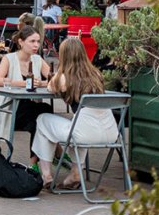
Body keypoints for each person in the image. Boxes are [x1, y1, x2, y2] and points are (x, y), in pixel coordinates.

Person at [33, 39, 119, 190]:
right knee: (78, 123)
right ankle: (75, 172)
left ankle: (46, 175)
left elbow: (49, 88)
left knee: (42, 120)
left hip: (83, 134)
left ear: (63, 55)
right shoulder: (96, 75)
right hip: (110, 133)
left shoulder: (63, 78)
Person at [0, 29, 54, 162]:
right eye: (32, 41)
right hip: (10, 110)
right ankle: (55, 154)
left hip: (30, 109)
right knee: (43, 113)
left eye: (38, 42)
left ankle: (34, 162)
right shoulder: (9, 58)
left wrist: (40, 83)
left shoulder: (37, 59)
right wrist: (24, 83)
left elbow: (53, 80)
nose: (36, 45)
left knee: (43, 116)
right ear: (21, 42)